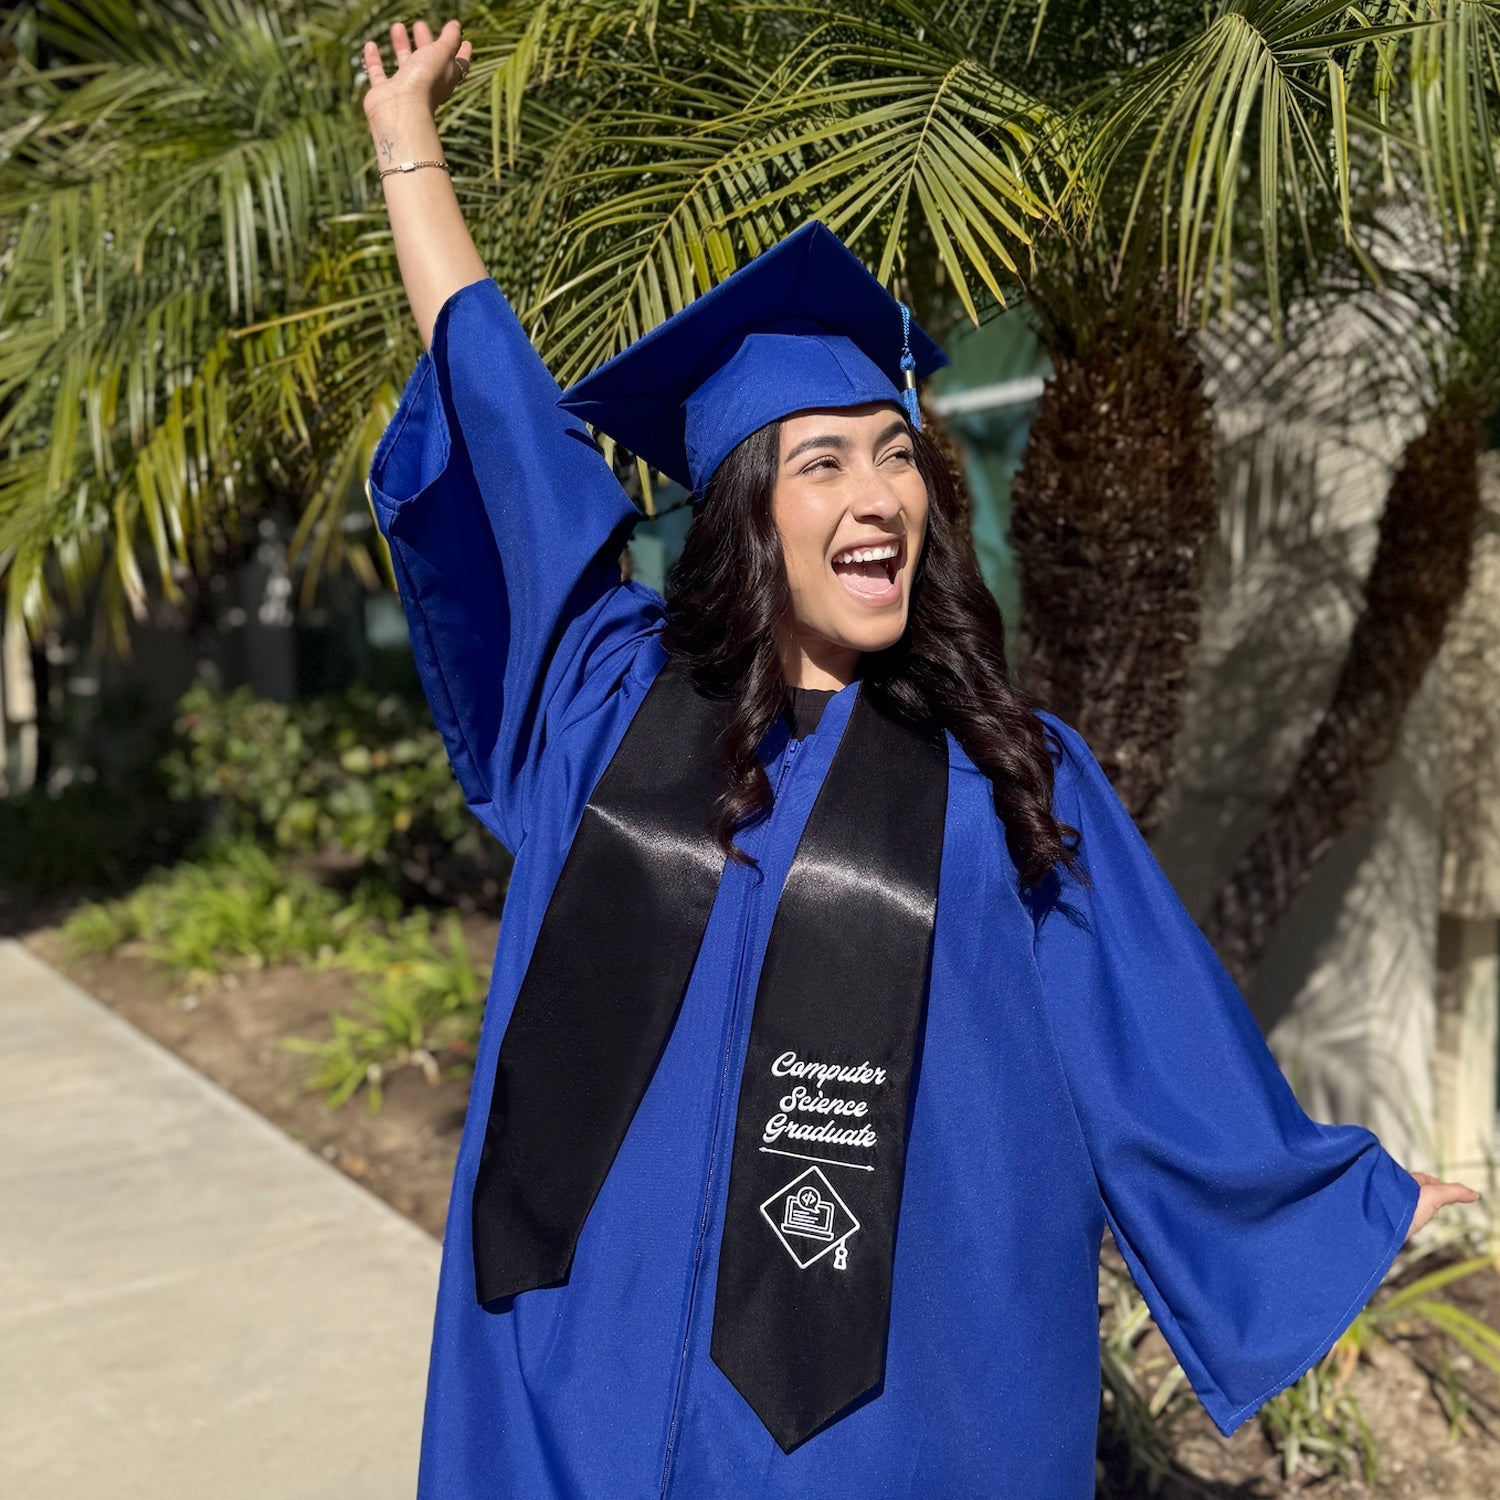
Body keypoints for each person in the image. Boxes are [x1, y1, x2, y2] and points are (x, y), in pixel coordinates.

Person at [360, 20, 1479, 1500]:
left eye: (895, 452)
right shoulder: (605, 701)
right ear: (747, 513)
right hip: (578, 1360)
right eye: (821, 461)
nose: (878, 487)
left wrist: (1345, 1206)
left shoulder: (1008, 774)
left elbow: (1152, 1037)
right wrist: (408, 152)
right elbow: (507, 421)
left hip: (877, 1412)